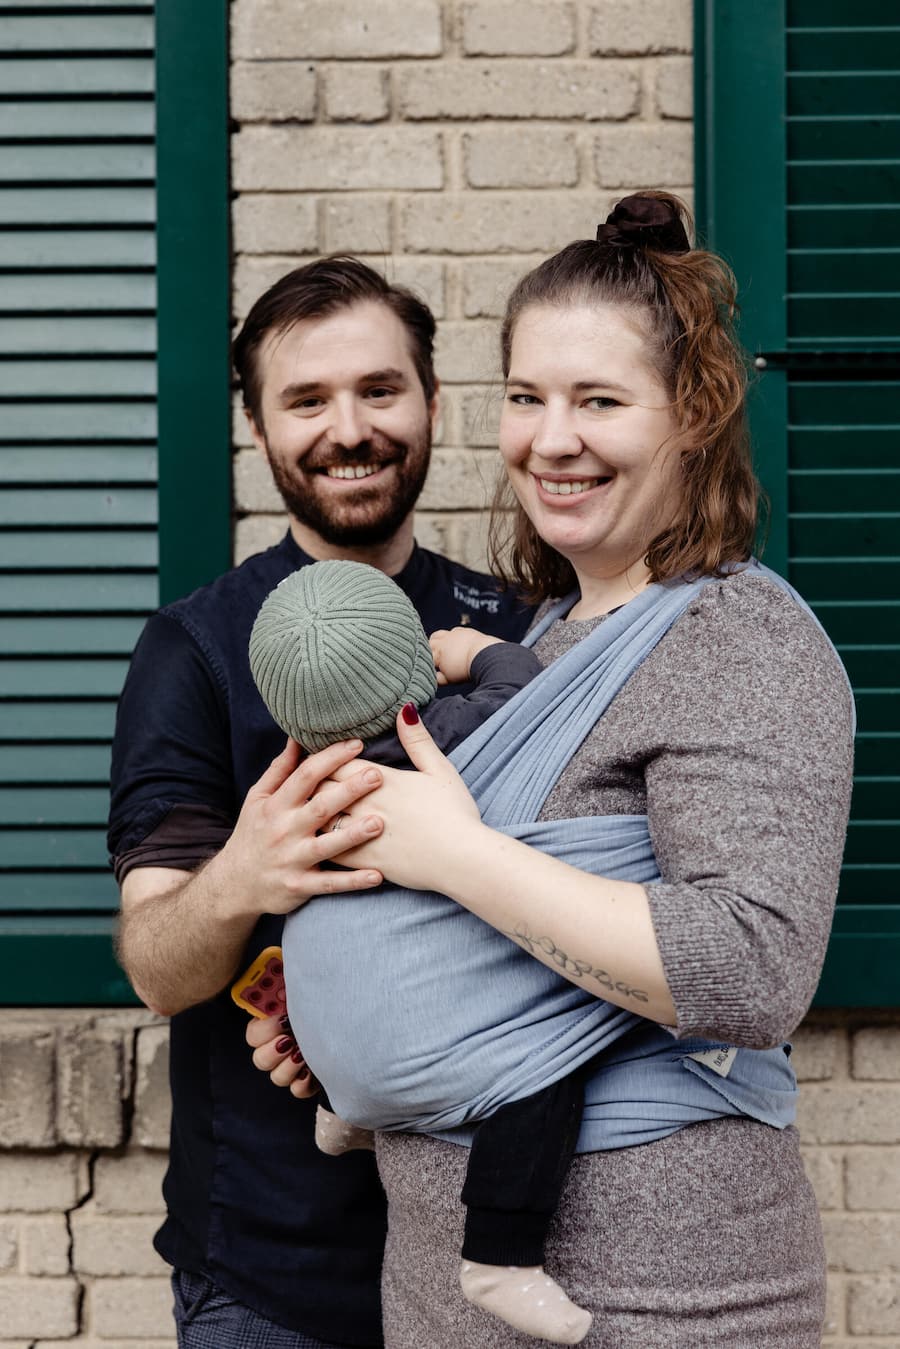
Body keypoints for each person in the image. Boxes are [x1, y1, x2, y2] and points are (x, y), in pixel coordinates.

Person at [249, 193, 855, 1348]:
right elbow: (505, 967)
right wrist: (347, 1015)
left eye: (598, 401)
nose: (551, 439)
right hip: (439, 1302)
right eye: (527, 397)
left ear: (693, 413)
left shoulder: (736, 636)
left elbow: (751, 968)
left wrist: (456, 856)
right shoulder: (551, 636)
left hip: (660, 1305)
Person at [106, 257, 532, 1349]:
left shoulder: (517, 630)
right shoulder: (194, 648)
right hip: (272, 1276)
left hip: (504, 1247)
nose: (350, 429)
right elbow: (157, 967)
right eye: (307, 400)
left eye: (380, 389)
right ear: (257, 428)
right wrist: (245, 871)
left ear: (433, 402)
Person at [246, 558, 592, 1343]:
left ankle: (339, 1108)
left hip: (339, 1035)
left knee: (327, 963)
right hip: (430, 1019)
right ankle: (500, 1253)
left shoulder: (300, 792)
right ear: (411, 667)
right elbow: (523, 680)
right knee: (546, 1055)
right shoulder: (453, 731)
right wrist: (471, 649)